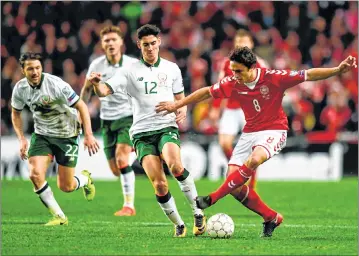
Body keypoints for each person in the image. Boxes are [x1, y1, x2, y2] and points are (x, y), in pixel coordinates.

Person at [155, 47, 357, 237]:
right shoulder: (233, 82)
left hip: (275, 130)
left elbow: (309, 74)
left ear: (253, 68)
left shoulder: (274, 78)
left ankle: (213, 197)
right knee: (234, 185)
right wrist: (177, 104)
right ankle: (271, 217)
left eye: (238, 71)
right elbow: (207, 92)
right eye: (232, 70)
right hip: (249, 132)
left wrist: (338, 70)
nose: (234, 75)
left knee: (254, 159)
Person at [88, 24, 206, 237]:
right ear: (138, 45)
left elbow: (181, 99)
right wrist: (97, 84)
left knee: (176, 166)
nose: (150, 48)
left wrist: (182, 110)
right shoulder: (129, 71)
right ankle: (179, 223)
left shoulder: (171, 69)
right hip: (142, 134)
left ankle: (197, 211)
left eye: (153, 43)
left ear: (159, 42)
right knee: (159, 185)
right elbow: (104, 91)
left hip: (166, 127)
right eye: (145, 45)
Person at [11, 52, 100, 226]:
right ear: (23, 70)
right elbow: (15, 113)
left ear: (42, 68)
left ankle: (84, 180)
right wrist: (22, 139)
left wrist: (88, 134)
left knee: (66, 186)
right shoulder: (20, 89)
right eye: (30, 69)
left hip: (67, 134)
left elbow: (81, 105)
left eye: (37, 67)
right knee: (35, 174)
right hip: (42, 135)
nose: (35, 72)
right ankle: (60, 217)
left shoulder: (56, 85)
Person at [81, 26, 138, 216]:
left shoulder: (132, 64)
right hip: (107, 120)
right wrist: (80, 112)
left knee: (122, 159)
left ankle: (129, 206)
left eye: (114, 39)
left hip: (128, 116)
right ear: (102, 44)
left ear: (121, 42)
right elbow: (87, 90)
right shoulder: (96, 65)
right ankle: (137, 151)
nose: (111, 43)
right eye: (107, 40)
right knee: (116, 170)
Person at [209, 29, 269, 190]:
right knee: (224, 144)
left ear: (251, 44)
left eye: (245, 42)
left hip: (250, 110)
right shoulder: (227, 64)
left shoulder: (260, 64)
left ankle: (252, 184)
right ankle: (242, 170)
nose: (241, 45)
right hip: (231, 108)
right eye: (238, 42)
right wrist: (215, 108)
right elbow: (220, 86)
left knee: (254, 149)